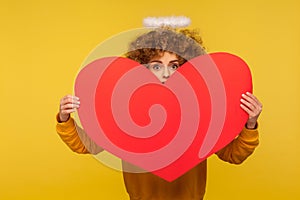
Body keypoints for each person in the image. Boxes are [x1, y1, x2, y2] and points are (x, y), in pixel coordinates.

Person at [56, 26, 262, 200]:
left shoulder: (202, 112)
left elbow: (233, 155)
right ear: (141, 68)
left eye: (174, 66)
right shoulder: (124, 110)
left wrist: (250, 123)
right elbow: (89, 146)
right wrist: (65, 119)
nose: (165, 73)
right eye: (156, 66)